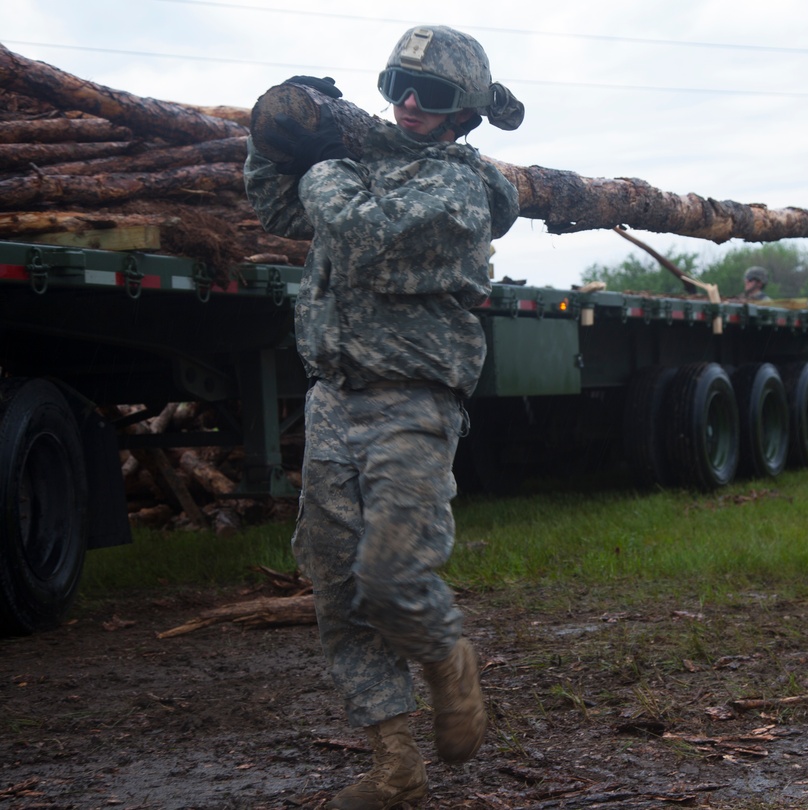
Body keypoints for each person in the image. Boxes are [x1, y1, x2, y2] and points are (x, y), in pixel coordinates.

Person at [244, 25, 522, 809]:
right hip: (334, 394)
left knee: (392, 575)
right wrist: (274, 131)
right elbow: (272, 202)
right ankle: (395, 762)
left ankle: (448, 659)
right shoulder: (365, 163)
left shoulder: (461, 191)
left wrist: (327, 164)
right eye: (396, 84)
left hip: (413, 401)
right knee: (337, 587)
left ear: (462, 113)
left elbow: (365, 240)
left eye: (430, 95)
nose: (407, 103)